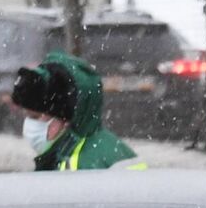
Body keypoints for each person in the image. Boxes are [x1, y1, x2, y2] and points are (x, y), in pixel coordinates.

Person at [11, 52, 143, 171]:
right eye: (27, 116)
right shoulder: (62, 152)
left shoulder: (96, 162)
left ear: (64, 119)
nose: (29, 125)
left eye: (35, 117)